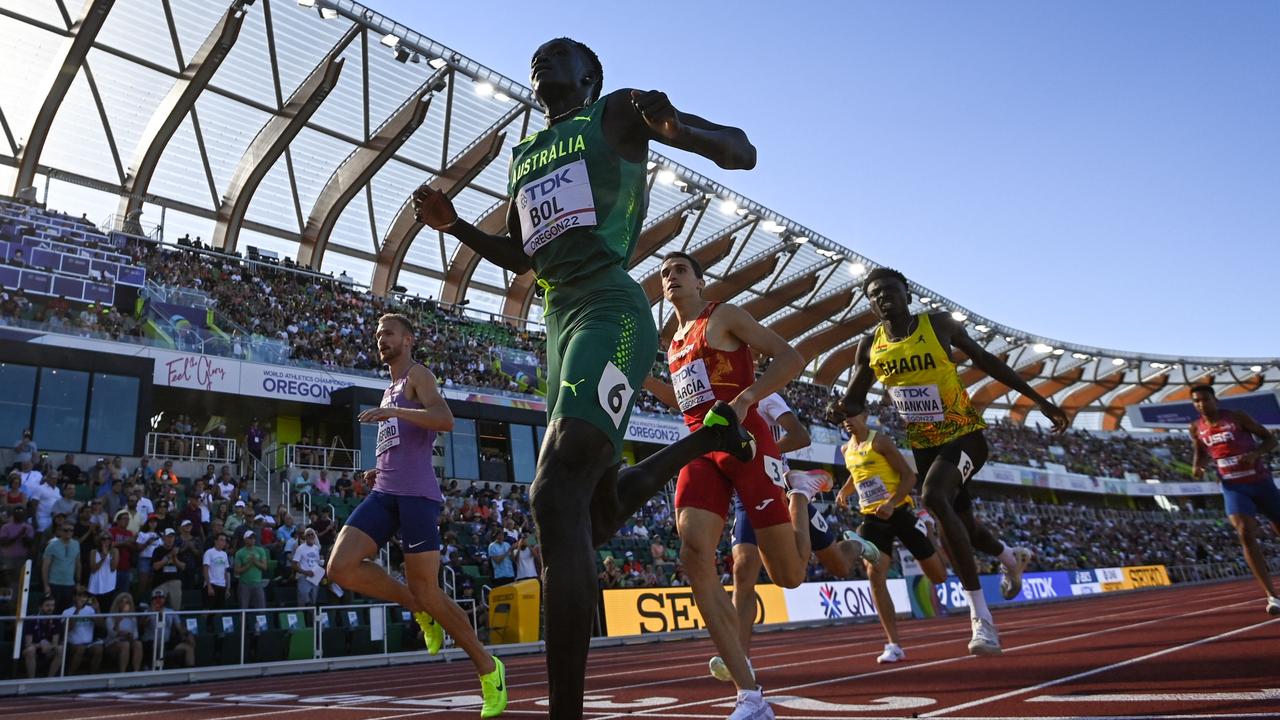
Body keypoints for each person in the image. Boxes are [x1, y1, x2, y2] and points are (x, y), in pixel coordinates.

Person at [413, 37, 758, 720]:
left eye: (562, 53)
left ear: (590, 76)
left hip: (610, 308)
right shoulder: (522, 156)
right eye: (539, 55)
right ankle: (709, 437)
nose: (544, 58)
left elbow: (742, 150)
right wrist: (457, 228)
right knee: (592, 508)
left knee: (553, 494)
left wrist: (679, 129)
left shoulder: (617, 114)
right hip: (559, 322)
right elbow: (521, 251)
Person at [828, 267, 1060, 656]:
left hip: (965, 435)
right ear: (870, 304)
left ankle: (981, 619)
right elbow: (854, 397)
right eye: (875, 294)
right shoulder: (870, 345)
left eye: (889, 290)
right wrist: (840, 408)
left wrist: (1039, 400)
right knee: (964, 530)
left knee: (934, 497)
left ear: (907, 294)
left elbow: (988, 362)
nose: (883, 297)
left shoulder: (937, 325)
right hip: (925, 446)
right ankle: (1009, 557)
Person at [641, 251, 830, 718]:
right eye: (664, 274)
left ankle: (800, 497)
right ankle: (749, 694)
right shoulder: (673, 344)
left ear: (701, 282)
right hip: (700, 448)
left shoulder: (722, 315)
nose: (671, 278)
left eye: (680, 270)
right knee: (693, 556)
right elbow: (684, 402)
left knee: (788, 575)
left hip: (747, 444)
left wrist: (747, 399)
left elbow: (792, 356)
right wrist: (641, 379)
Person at [326, 314, 505, 718]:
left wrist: (396, 414)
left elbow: (444, 419)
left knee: (430, 590)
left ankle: (489, 670)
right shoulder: (388, 390)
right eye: (376, 335)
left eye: (387, 333)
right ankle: (419, 607)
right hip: (385, 491)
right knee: (340, 567)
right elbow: (401, 442)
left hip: (418, 497)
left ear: (408, 339)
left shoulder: (417, 377)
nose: (380, 340)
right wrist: (377, 467)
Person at [709, 392, 882, 681]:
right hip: (746, 492)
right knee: (743, 568)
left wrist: (757, 452)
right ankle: (740, 658)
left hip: (778, 486)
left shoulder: (765, 395)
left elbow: (800, 436)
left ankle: (854, 543)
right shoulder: (715, 396)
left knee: (838, 565)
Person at [837, 410, 947, 663]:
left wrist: (891, 502)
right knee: (874, 574)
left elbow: (910, 477)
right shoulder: (846, 450)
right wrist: (845, 490)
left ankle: (929, 531)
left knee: (938, 576)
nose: (846, 420)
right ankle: (893, 644)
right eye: (842, 417)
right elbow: (857, 474)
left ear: (863, 415)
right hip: (872, 519)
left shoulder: (880, 441)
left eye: (851, 414)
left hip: (899, 512)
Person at [1189, 384, 1280, 615]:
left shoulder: (1237, 417)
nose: (1201, 404)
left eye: (1205, 399)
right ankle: (1272, 596)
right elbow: (1200, 451)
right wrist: (1198, 466)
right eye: (1197, 401)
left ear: (1214, 400)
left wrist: (1255, 454)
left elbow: (1270, 440)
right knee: (1244, 532)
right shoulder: (1195, 428)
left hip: (1260, 483)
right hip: (1233, 487)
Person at [61, 588, 103, 674]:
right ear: (74, 597)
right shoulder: (67, 611)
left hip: (89, 643)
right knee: (81, 649)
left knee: (99, 649)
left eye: (85, 596)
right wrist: (77, 610)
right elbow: (67, 629)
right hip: (72, 644)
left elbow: (101, 625)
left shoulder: (91, 610)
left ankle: (92, 677)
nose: (82, 598)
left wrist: (97, 610)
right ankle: (69, 676)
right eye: (80, 596)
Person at [41, 518, 80, 611]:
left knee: (67, 611)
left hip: (70, 584)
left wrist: (78, 582)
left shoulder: (76, 544)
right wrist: (46, 585)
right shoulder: (52, 545)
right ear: (61, 531)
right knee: (54, 610)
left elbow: (78, 564)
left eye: (71, 530)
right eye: (66, 530)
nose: (68, 532)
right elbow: (45, 567)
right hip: (54, 583)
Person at [21, 595, 64, 678]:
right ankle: (31, 680)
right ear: (40, 607)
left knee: (61, 649)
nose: (51, 608)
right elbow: (28, 644)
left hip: (48, 651)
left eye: (52, 605)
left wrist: (49, 646)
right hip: (34, 650)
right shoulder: (31, 620)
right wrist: (41, 645)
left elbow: (55, 642)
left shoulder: (56, 620)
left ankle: (49, 679)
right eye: (47, 605)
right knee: (30, 650)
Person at [105, 593, 143, 673]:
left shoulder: (132, 618)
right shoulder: (111, 617)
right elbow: (112, 634)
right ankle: (122, 672)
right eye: (122, 602)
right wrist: (117, 622)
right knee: (125, 644)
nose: (125, 604)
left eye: (127, 602)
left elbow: (136, 635)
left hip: (128, 640)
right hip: (113, 643)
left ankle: (136, 672)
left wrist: (129, 635)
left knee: (138, 644)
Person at [234, 530, 268, 609]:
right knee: (243, 608)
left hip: (258, 583)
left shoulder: (260, 550)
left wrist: (255, 561)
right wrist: (248, 565)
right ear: (245, 539)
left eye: (253, 538)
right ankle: (243, 621)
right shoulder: (239, 553)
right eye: (250, 538)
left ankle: (260, 621)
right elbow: (237, 570)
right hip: (244, 584)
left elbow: (264, 567)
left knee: (261, 608)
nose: (252, 540)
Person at [292, 527, 324, 606]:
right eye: (308, 535)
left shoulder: (316, 548)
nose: (310, 536)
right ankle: (302, 616)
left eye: (312, 534)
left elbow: (317, 562)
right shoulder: (300, 548)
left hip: (314, 577)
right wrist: (305, 572)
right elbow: (294, 564)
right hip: (303, 577)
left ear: (314, 536)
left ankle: (311, 618)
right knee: (303, 601)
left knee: (313, 602)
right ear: (305, 537)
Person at [203, 532, 230, 609]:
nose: (223, 542)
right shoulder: (209, 552)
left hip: (222, 585)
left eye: (224, 540)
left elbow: (225, 572)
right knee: (209, 609)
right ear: (215, 541)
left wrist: (227, 588)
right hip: (212, 584)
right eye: (221, 540)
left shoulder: (224, 554)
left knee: (219, 610)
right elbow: (205, 569)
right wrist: (209, 586)